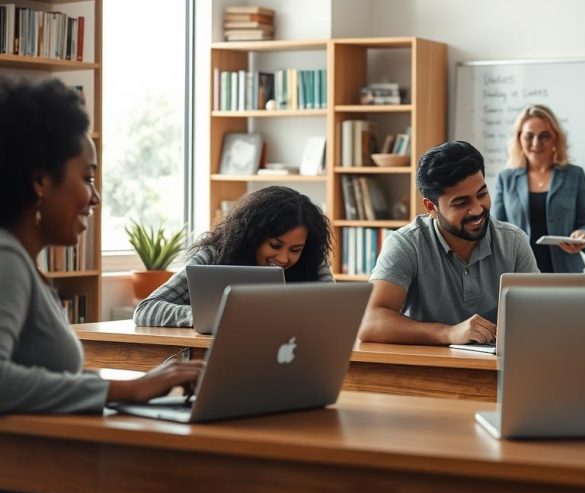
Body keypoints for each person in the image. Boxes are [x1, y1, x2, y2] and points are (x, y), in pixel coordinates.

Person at [0, 76, 203, 417]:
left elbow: (49, 381)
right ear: (40, 181)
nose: (95, 198)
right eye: (87, 178)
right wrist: (129, 388)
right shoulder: (6, 259)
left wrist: (144, 382)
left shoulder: (23, 262)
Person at [360, 141, 538, 345]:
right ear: (431, 207)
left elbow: (536, 318)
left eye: (482, 194)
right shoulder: (407, 244)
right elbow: (368, 321)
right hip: (427, 371)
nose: (477, 210)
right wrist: (448, 333)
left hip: (497, 371)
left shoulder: (514, 241)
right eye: (461, 203)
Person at [133, 185, 334, 327]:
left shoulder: (312, 261)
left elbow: (334, 315)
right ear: (253, 236)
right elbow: (146, 310)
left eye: (295, 250)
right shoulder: (212, 258)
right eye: (275, 245)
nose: (283, 258)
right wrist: (207, 318)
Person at [491, 104, 585, 273]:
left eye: (544, 136)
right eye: (529, 136)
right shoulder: (506, 179)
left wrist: (584, 235)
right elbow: (495, 230)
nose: (536, 143)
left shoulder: (574, 175)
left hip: (566, 271)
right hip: (517, 270)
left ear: (555, 138)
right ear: (519, 138)